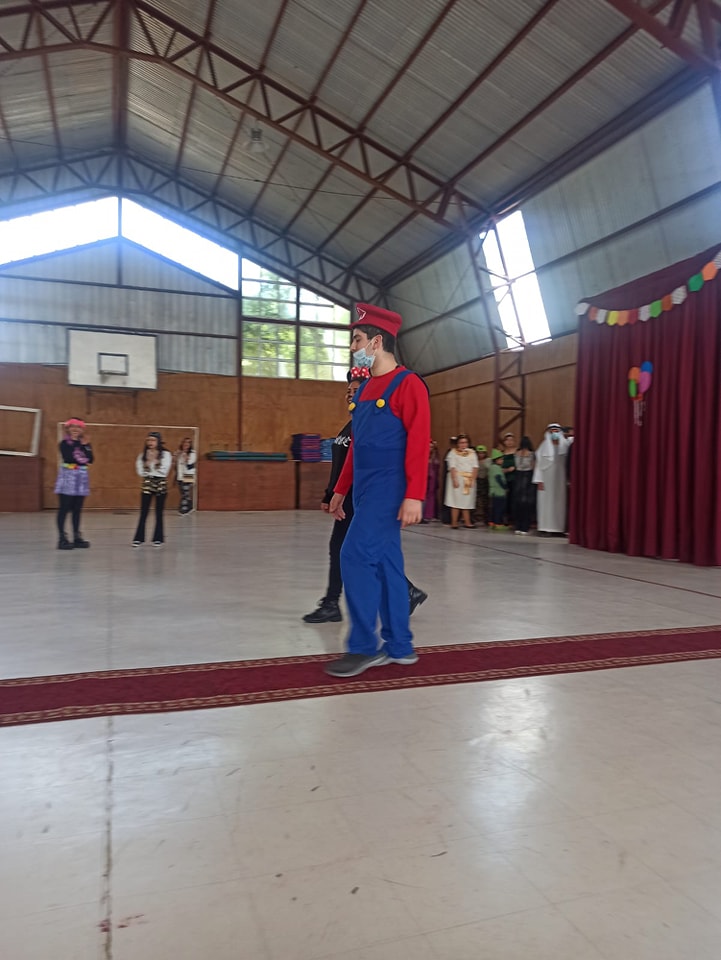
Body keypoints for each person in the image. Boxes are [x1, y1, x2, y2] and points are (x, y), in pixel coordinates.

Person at [325, 303, 431, 678]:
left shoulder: (409, 384)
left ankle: (362, 647)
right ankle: (400, 646)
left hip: (390, 485)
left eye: (357, 339)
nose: (353, 346)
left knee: (354, 554)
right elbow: (357, 444)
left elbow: (419, 441)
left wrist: (414, 493)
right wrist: (340, 489)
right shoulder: (366, 388)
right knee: (386, 564)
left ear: (376, 342)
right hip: (364, 487)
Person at [303, 369, 428, 624]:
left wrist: (409, 494)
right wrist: (331, 494)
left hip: (363, 496)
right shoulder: (352, 424)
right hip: (346, 496)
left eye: (356, 390)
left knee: (349, 548)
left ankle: (335, 603)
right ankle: (405, 591)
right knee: (360, 548)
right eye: (348, 391)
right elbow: (342, 464)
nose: (350, 394)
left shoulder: (370, 425)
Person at [54, 417, 93, 550]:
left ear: (82, 429)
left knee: (77, 508)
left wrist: (86, 446)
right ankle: (62, 538)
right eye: (73, 426)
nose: (75, 429)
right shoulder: (64, 443)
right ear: (68, 429)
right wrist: (83, 452)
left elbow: (91, 459)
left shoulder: (85, 443)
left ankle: (77, 537)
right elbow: (69, 457)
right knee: (64, 507)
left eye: (78, 427)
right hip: (68, 477)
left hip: (81, 478)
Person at [132, 431, 173, 547]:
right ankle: (139, 538)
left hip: (160, 483)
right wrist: (149, 465)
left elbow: (164, 471)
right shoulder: (142, 455)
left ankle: (158, 538)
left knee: (159, 512)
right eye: (149, 440)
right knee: (144, 511)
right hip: (147, 483)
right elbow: (140, 471)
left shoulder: (166, 454)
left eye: (153, 440)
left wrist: (152, 464)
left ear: (158, 442)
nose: (150, 442)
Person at [533, 423, 570, 536]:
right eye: (552, 431)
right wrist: (539, 480)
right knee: (545, 503)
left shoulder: (565, 446)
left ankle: (558, 529)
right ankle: (545, 528)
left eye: (556, 431)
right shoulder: (543, 447)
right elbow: (538, 465)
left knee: (559, 503)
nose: (554, 433)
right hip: (546, 480)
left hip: (560, 480)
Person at [444, 433, 479, 528]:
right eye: (461, 442)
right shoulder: (453, 452)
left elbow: (475, 467)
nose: (463, 444)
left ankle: (467, 522)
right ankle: (454, 522)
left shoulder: (472, 453)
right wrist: (454, 479)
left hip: (468, 479)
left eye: (465, 442)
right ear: (457, 444)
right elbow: (452, 467)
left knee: (467, 501)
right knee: (455, 501)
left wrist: (473, 479)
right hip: (457, 477)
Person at [513, 436, 536, 535]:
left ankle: (522, 526)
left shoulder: (529, 454)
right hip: (523, 475)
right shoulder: (529, 454)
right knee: (521, 502)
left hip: (524, 476)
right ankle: (522, 526)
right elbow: (533, 466)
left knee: (524, 502)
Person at [175, 436, 197, 515]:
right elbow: (175, 462)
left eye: (188, 443)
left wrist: (185, 453)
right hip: (180, 475)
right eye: (185, 442)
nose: (186, 444)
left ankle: (184, 509)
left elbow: (189, 462)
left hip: (188, 474)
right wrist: (176, 455)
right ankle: (190, 506)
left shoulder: (192, 453)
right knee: (183, 492)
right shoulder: (179, 452)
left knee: (185, 492)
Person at [500, 431, 518, 525]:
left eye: (511, 440)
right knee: (505, 498)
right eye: (507, 440)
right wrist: (506, 470)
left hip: (515, 478)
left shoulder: (517, 452)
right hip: (504, 478)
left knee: (514, 498)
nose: (510, 442)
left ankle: (514, 517)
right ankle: (505, 517)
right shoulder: (502, 453)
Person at [488, 448, 508, 529]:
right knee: (499, 508)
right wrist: (505, 487)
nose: (502, 461)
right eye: (501, 459)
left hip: (493, 492)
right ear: (496, 460)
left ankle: (492, 522)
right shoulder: (496, 468)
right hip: (498, 491)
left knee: (494, 507)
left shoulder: (492, 467)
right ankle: (498, 523)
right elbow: (498, 479)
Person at [439, 436, 457, 525]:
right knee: (448, 498)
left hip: (457, 478)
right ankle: (446, 518)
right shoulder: (450, 453)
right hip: (449, 478)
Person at [422, 440, 440, 522]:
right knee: (423, 495)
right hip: (424, 477)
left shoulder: (435, 456)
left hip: (433, 478)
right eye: (429, 446)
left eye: (432, 447)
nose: (430, 448)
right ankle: (422, 514)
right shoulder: (422, 455)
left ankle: (429, 514)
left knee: (431, 495)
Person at [474, 444, 489, 525]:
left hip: (485, 481)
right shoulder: (474, 460)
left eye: (482, 453)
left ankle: (486, 518)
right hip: (476, 480)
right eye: (479, 453)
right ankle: (475, 517)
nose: (481, 455)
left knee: (485, 500)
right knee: (476, 500)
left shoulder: (488, 460)